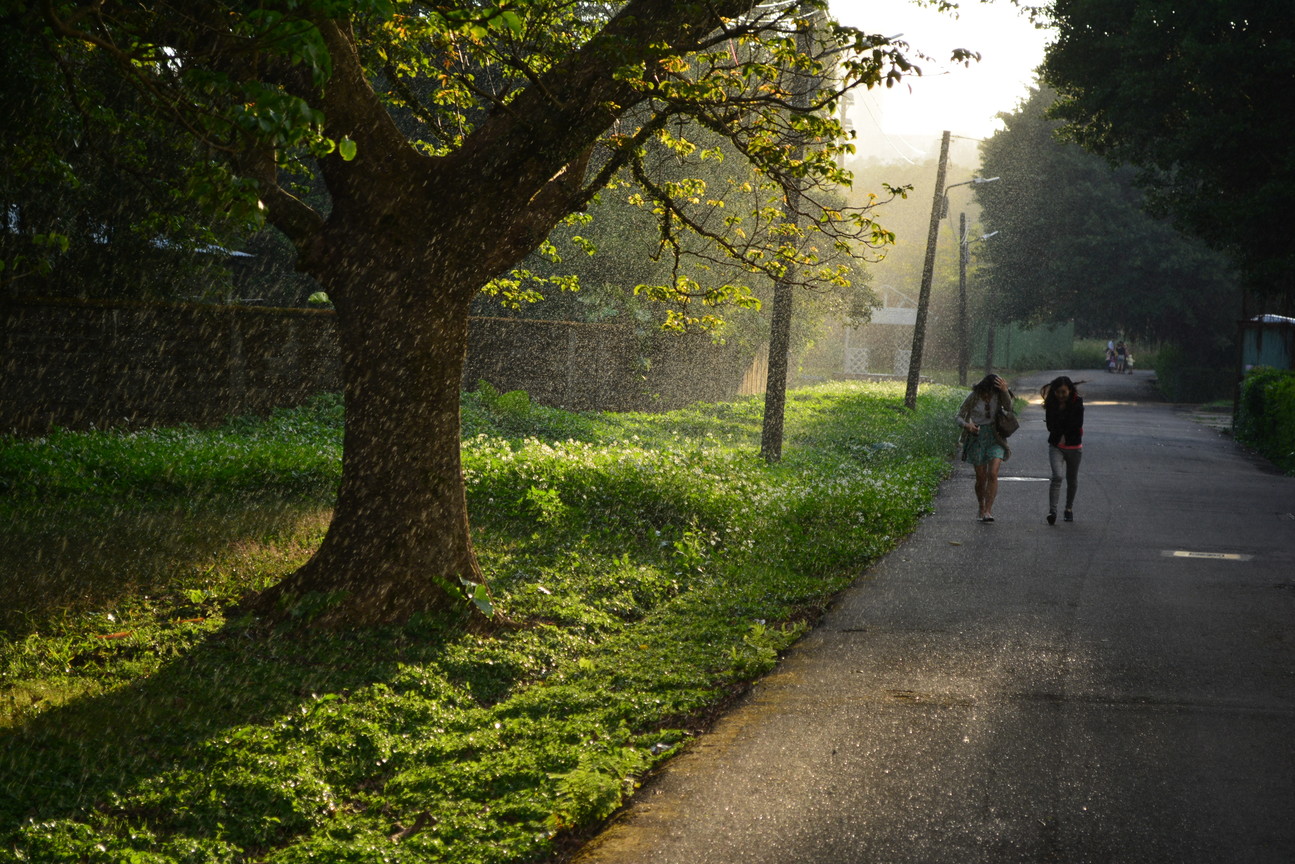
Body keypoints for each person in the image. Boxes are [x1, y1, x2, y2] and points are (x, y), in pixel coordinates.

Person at [956, 373, 1015, 522]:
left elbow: (1009, 407)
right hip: (977, 438)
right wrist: (967, 425)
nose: (990, 394)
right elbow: (959, 416)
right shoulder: (974, 396)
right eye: (989, 391)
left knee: (993, 473)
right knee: (981, 477)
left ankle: (988, 510)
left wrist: (1005, 391)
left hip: (995, 437)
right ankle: (981, 506)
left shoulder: (999, 394)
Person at [1040, 375, 1084, 524]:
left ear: (1070, 391)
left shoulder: (1078, 402)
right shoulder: (1051, 403)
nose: (1060, 395)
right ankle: (1052, 511)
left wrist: (1063, 431)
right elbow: (1050, 426)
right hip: (1056, 446)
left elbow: (1077, 424)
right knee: (1057, 476)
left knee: (1072, 479)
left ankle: (1068, 509)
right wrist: (1062, 432)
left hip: (1074, 447)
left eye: (1063, 392)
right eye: (1058, 392)